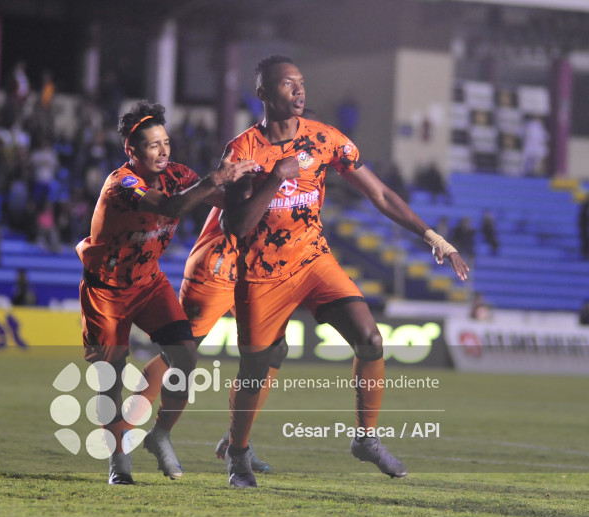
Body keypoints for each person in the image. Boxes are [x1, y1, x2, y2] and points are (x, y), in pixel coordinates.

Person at [221, 55, 469, 488]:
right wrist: (277, 177)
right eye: (286, 84)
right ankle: (237, 453)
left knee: (371, 339)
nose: (299, 90)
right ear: (262, 93)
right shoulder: (243, 150)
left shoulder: (325, 139)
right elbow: (237, 227)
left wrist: (434, 237)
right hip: (262, 273)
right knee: (255, 368)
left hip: (314, 259)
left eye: (301, 82)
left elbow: (380, 194)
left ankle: (365, 438)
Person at [76, 101, 254, 485]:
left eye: (166, 142)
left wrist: (254, 185)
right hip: (106, 289)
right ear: (132, 151)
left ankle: (160, 434)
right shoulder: (121, 184)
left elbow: (230, 205)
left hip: (148, 282)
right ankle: (117, 460)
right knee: (111, 379)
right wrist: (215, 179)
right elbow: (174, 205)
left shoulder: (178, 174)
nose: (163, 151)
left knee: (186, 356)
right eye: (153, 145)